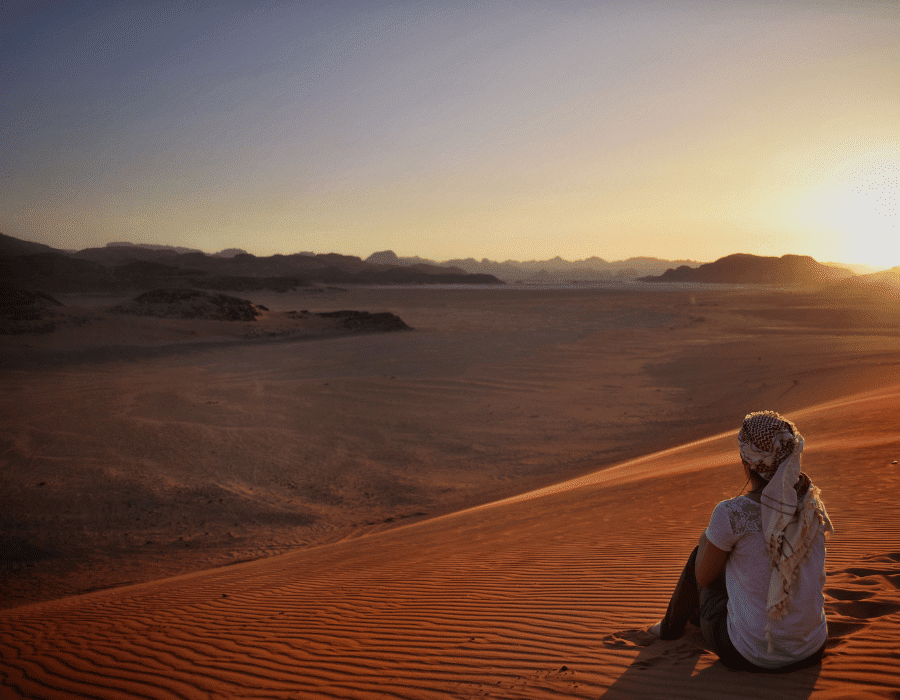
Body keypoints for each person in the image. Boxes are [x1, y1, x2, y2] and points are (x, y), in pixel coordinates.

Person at [649, 410, 833, 672]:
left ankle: (669, 628)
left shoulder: (732, 513)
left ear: (746, 461)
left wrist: (707, 538)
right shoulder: (812, 505)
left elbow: (704, 578)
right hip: (811, 649)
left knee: (701, 554)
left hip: (749, 653)